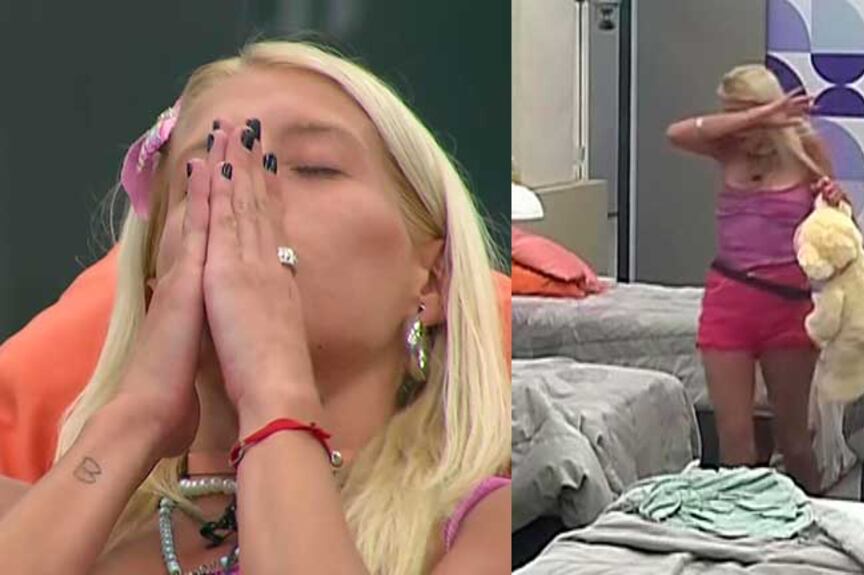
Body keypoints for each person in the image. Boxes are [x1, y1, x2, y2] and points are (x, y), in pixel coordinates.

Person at [0, 40, 510, 574]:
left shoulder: (482, 531)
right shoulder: (34, 520)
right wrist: (137, 416)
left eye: (313, 168)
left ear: (432, 279)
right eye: (203, 178)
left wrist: (273, 389)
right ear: (157, 288)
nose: (248, 197)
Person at [666, 63, 848, 495]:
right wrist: (757, 116)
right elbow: (676, 133)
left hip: (787, 306)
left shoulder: (806, 151)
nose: (734, 123)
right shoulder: (727, 148)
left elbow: (841, 231)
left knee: (794, 442)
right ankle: (743, 522)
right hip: (729, 303)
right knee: (736, 443)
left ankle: (812, 518)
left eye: (739, 111)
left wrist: (838, 202)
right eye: (728, 112)